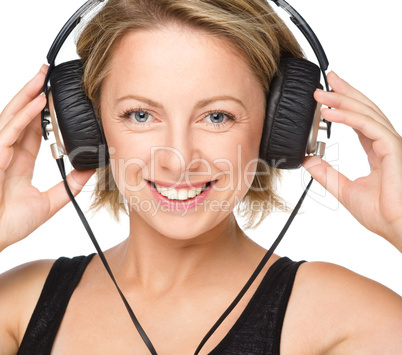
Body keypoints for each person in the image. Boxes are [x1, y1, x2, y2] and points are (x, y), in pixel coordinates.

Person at [0, 0, 401, 354]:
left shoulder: (347, 317)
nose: (178, 160)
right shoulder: (18, 307)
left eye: (217, 116)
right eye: (140, 115)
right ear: (86, 125)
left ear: (279, 126)